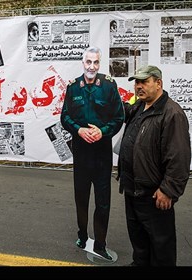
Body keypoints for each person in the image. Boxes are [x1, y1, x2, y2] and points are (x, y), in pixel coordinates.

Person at [118, 65, 191, 266]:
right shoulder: (140, 107)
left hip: (154, 195)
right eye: (136, 83)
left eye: (144, 82)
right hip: (133, 190)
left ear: (158, 83)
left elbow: (179, 158)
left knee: (161, 248)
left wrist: (168, 190)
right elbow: (121, 111)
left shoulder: (172, 113)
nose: (138, 87)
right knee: (139, 243)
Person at [60, 46, 124, 262]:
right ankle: (82, 235)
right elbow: (65, 117)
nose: (92, 67)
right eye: (88, 62)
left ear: (99, 63)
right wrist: (78, 129)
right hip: (81, 153)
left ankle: (101, 244)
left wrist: (102, 131)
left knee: (103, 201)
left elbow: (118, 117)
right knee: (81, 198)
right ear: (82, 63)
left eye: (96, 62)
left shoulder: (108, 86)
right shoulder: (73, 87)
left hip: (102, 154)